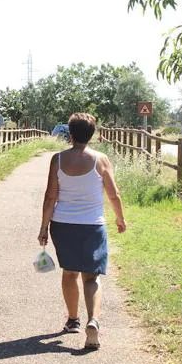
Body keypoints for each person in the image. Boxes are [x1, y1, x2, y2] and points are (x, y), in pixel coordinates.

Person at [37, 113, 127, 350]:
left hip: (63, 225)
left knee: (69, 273)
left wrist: (44, 226)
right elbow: (114, 194)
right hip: (93, 225)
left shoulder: (57, 160)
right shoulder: (101, 160)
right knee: (91, 276)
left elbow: (50, 196)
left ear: (70, 133)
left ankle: (73, 320)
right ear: (92, 134)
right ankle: (93, 321)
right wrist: (120, 218)